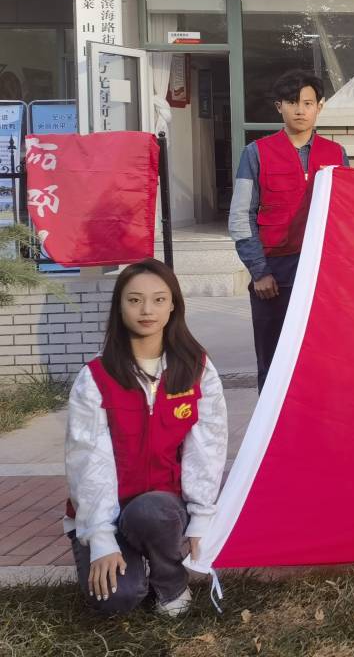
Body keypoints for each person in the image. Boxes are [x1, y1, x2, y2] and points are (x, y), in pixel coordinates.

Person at [64, 259, 228, 617]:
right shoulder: (96, 377)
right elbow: (88, 462)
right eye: (135, 300)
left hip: (162, 509)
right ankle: (131, 562)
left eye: (158, 299)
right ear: (120, 307)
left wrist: (201, 516)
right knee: (117, 600)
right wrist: (101, 538)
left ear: (173, 306)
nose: (147, 310)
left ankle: (170, 581)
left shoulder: (196, 369)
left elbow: (208, 448)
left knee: (153, 510)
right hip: (105, 515)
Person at [229, 69, 349, 391]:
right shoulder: (256, 153)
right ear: (278, 106)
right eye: (292, 102)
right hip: (274, 272)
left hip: (321, 271)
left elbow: (347, 212)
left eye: (307, 103)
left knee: (322, 355)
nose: (300, 110)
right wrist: (259, 271)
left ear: (319, 107)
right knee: (273, 360)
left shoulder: (336, 154)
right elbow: (240, 216)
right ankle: (270, 422)